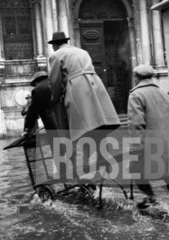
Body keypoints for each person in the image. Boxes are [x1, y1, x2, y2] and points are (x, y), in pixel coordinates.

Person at [48, 31, 120, 180]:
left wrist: (54, 98)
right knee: (99, 122)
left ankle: (84, 172)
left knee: (81, 129)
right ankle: (103, 157)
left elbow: (55, 80)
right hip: (95, 85)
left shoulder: (56, 55)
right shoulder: (82, 51)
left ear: (55, 45)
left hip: (77, 88)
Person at [127, 65, 169, 210]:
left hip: (149, 145)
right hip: (168, 143)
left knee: (136, 171)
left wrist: (136, 149)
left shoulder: (136, 95)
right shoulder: (164, 94)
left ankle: (151, 198)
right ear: (151, 77)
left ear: (136, 78)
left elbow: (136, 125)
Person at [23, 71, 56, 135]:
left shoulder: (37, 90)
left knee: (56, 142)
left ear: (36, 82)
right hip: (64, 121)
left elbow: (33, 110)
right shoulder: (54, 84)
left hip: (51, 123)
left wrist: (28, 128)